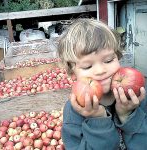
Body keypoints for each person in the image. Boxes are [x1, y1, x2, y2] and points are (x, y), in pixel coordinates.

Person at [57, 18, 147, 150]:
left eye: (109, 60)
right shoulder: (75, 111)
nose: (100, 71)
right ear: (72, 73)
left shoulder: (136, 96)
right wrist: (97, 120)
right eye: (87, 66)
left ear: (118, 57)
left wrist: (127, 115)